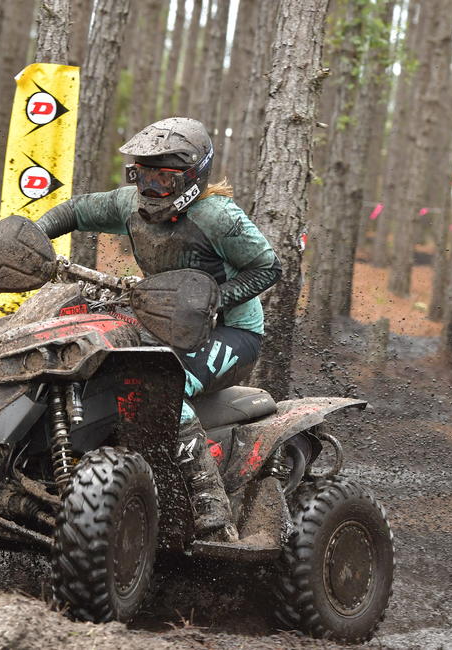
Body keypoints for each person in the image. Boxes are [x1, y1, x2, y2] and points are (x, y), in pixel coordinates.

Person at [35, 117, 281, 542]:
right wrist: (34, 235)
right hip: (160, 321)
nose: (152, 189)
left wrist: (214, 301)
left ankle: (210, 505)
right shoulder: (128, 204)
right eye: (143, 175)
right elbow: (74, 210)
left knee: (165, 385)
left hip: (231, 332)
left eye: (164, 178)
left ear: (192, 176)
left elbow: (268, 267)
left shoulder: (218, 216)